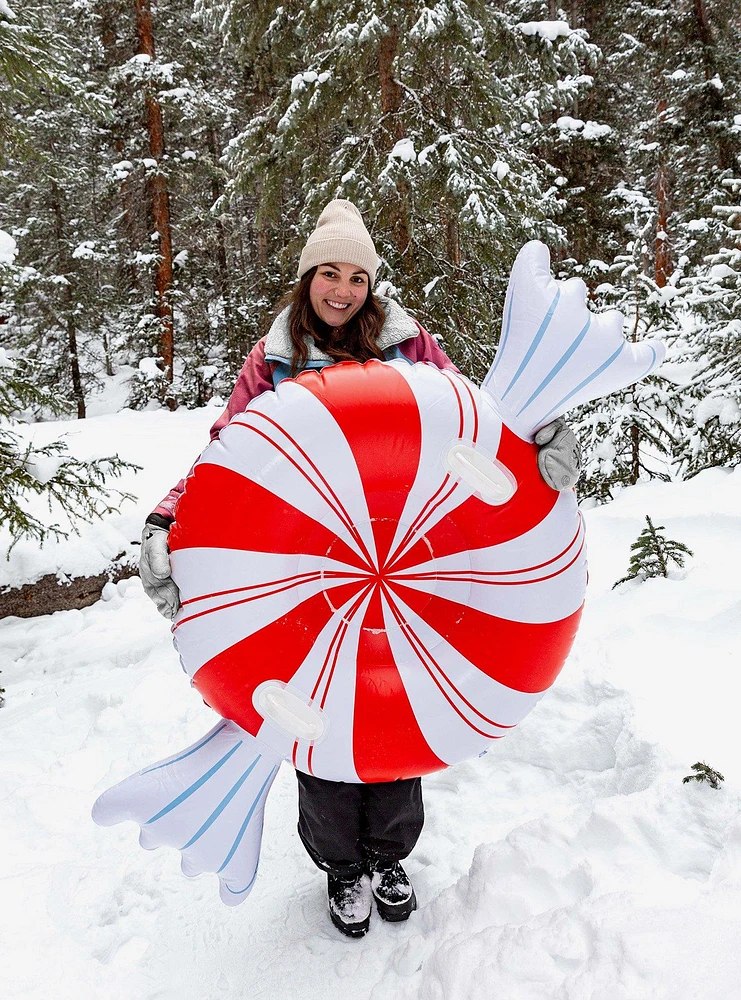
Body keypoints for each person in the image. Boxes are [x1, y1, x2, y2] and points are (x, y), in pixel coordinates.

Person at [139, 200, 581, 938]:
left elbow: (476, 422)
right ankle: (340, 865)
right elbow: (225, 453)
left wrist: (541, 437)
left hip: (415, 567)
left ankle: (387, 856)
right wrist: (165, 518)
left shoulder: (408, 347)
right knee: (315, 723)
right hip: (302, 572)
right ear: (307, 276)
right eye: (328, 274)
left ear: (371, 285)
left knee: (397, 713)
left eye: (356, 277)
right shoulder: (273, 360)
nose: (341, 290)